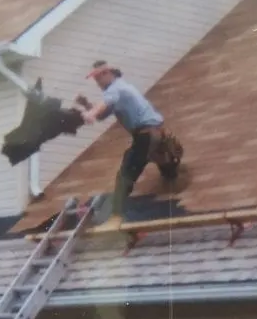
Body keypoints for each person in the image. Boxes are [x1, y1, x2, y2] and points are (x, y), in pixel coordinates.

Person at [77, 60, 183, 229]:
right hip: (153, 133)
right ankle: (171, 168)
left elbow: (103, 105)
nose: (97, 83)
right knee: (164, 167)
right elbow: (103, 114)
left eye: (98, 78)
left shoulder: (115, 88)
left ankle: (115, 218)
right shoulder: (121, 87)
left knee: (125, 174)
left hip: (147, 135)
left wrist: (91, 114)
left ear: (108, 73)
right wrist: (87, 105)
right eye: (95, 79)